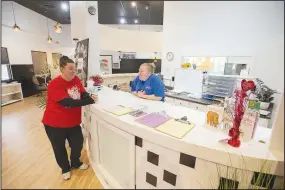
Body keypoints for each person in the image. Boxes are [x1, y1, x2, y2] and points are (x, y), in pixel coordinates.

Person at [42, 56, 97, 180]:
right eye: (70, 68)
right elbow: (68, 103)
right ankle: (65, 168)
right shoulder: (54, 84)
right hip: (54, 123)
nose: (74, 71)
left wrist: (88, 96)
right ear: (62, 69)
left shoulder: (76, 79)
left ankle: (75, 163)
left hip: (72, 122)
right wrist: (89, 101)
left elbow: (83, 93)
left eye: (75, 68)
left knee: (77, 143)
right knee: (59, 148)